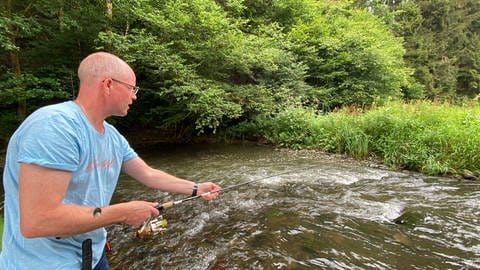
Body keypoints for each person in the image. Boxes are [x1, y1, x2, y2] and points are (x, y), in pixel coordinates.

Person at [0, 52, 221, 270]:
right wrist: (123, 213)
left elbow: (148, 174)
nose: (134, 96)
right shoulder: (54, 126)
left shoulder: (113, 136)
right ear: (108, 84)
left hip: (93, 257)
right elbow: (37, 221)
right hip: (41, 264)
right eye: (132, 88)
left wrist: (196, 189)